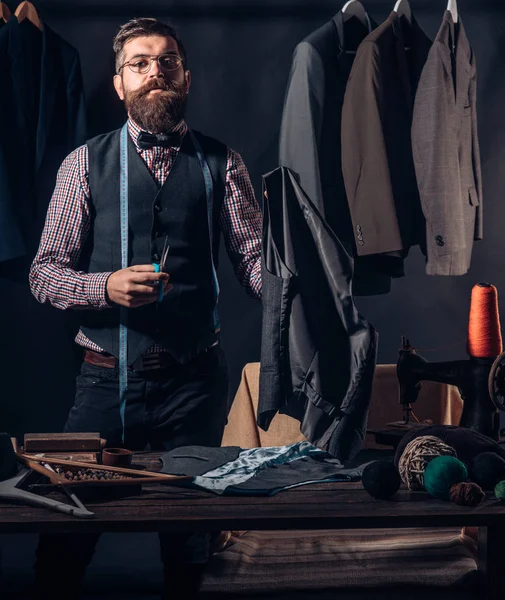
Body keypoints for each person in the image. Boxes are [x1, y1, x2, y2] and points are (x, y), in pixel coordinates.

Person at [29, 17, 262, 600]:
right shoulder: (83, 165)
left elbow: (258, 267)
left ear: (186, 77)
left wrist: (310, 299)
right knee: (66, 532)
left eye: (167, 62)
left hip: (195, 382)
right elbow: (43, 274)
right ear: (119, 82)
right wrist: (103, 288)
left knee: (190, 547)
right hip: (103, 382)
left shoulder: (223, 164)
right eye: (140, 62)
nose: (155, 72)